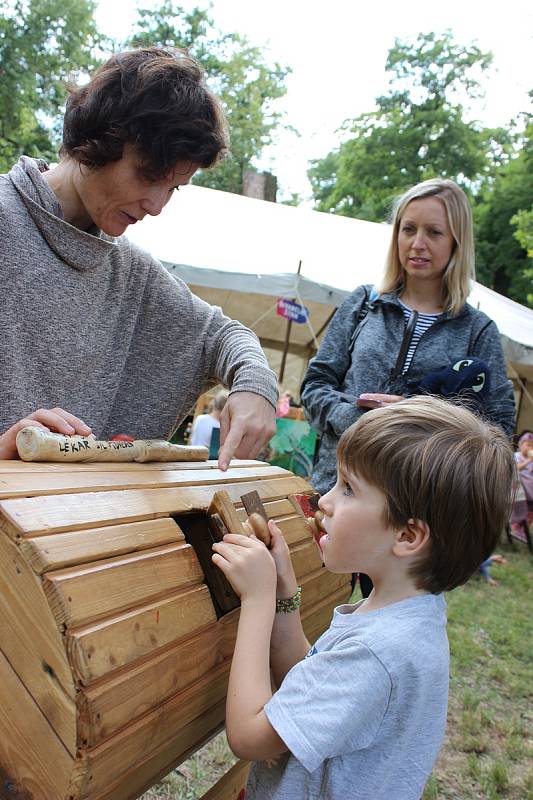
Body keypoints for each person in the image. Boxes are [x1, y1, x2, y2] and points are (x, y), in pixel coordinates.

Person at [211, 396, 515, 800]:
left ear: (407, 537)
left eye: (350, 489)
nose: (325, 501)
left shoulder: (377, 653)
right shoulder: (406, 617)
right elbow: (314, 684)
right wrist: (284, 596)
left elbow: (250, 737)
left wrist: (258, 601)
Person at [0, 47, 277, 469]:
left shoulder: (133, 273)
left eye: (174, 188)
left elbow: (223, 335)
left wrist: (255, 386)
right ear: (99, 137)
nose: (156, 205)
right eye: (149, 175)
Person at [301, 178, 515, 499]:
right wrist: (354, 420)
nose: (417, 243)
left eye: (434, 232)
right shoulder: (363, 304)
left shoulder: (477, 330)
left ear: (457, 241)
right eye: (408, 228)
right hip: (337, 490)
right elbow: (315, 385)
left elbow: (498, 430)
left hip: (418, 503)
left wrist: (414, 418)